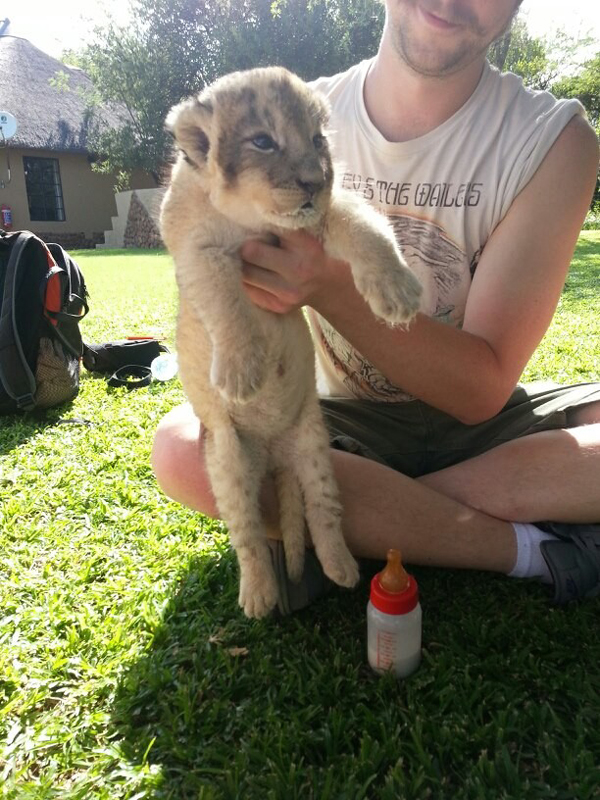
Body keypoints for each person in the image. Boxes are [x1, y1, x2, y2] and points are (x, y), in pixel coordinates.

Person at [152, 0, 600, 611]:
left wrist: (329, 284)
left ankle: (378, 517)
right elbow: (193, 218)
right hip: (348, 424)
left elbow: (481, 389)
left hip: (487, 429)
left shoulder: (558, 141)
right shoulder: (288, 107)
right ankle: (527, 549)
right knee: (181, 447)